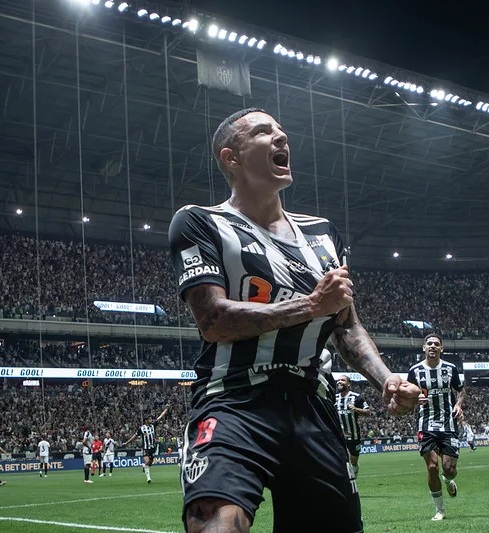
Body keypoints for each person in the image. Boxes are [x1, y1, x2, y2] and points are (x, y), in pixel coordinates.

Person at [168, 107, 419, 533]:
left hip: (311, 407)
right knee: (215, 518)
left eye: (283, 130)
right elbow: (213, 319)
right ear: (231, 158)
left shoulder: (323, 234)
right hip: (234, 399)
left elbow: (347, 325)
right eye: (265, 132)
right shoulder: (199, 222)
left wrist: (386, 380)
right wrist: (308, 306)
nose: (281, 138)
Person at [407, 333, 464, 521]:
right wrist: (415, 399)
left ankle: (448, 479)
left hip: (448, 424)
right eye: (429, 344)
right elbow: (408, 396)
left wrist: (458, 405)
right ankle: (440, 510)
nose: (432, 346)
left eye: (436, 344)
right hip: (425, 424)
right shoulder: (414, 371)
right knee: (432, 467)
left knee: (449, 468)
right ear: (423, 348)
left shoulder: (451, 368)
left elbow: (461, 390)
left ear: (442, 348)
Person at [334, 375, 371, 478]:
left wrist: (355, 409)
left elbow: (368, 412)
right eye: (338, 380)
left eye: (342, 380)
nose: (339, 382)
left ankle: (353, 476)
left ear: (349, 384)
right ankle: (344, 481)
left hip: (353, 436)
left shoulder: (356, 397)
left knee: (353, 461)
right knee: (340, 460)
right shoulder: (334, 398)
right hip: (338, 435)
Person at [122, 406, 169, 484]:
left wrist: (166, 409)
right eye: (149, 419)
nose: (151, 420)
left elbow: (160, 416)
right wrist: (127, 442)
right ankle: (148, 478)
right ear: (146, 420)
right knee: (147, 461)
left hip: (152, 447)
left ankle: (144, 465)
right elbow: (135, 436)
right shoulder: (142, 429)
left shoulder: (153, 425)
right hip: (145, 448)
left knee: (150, 463)